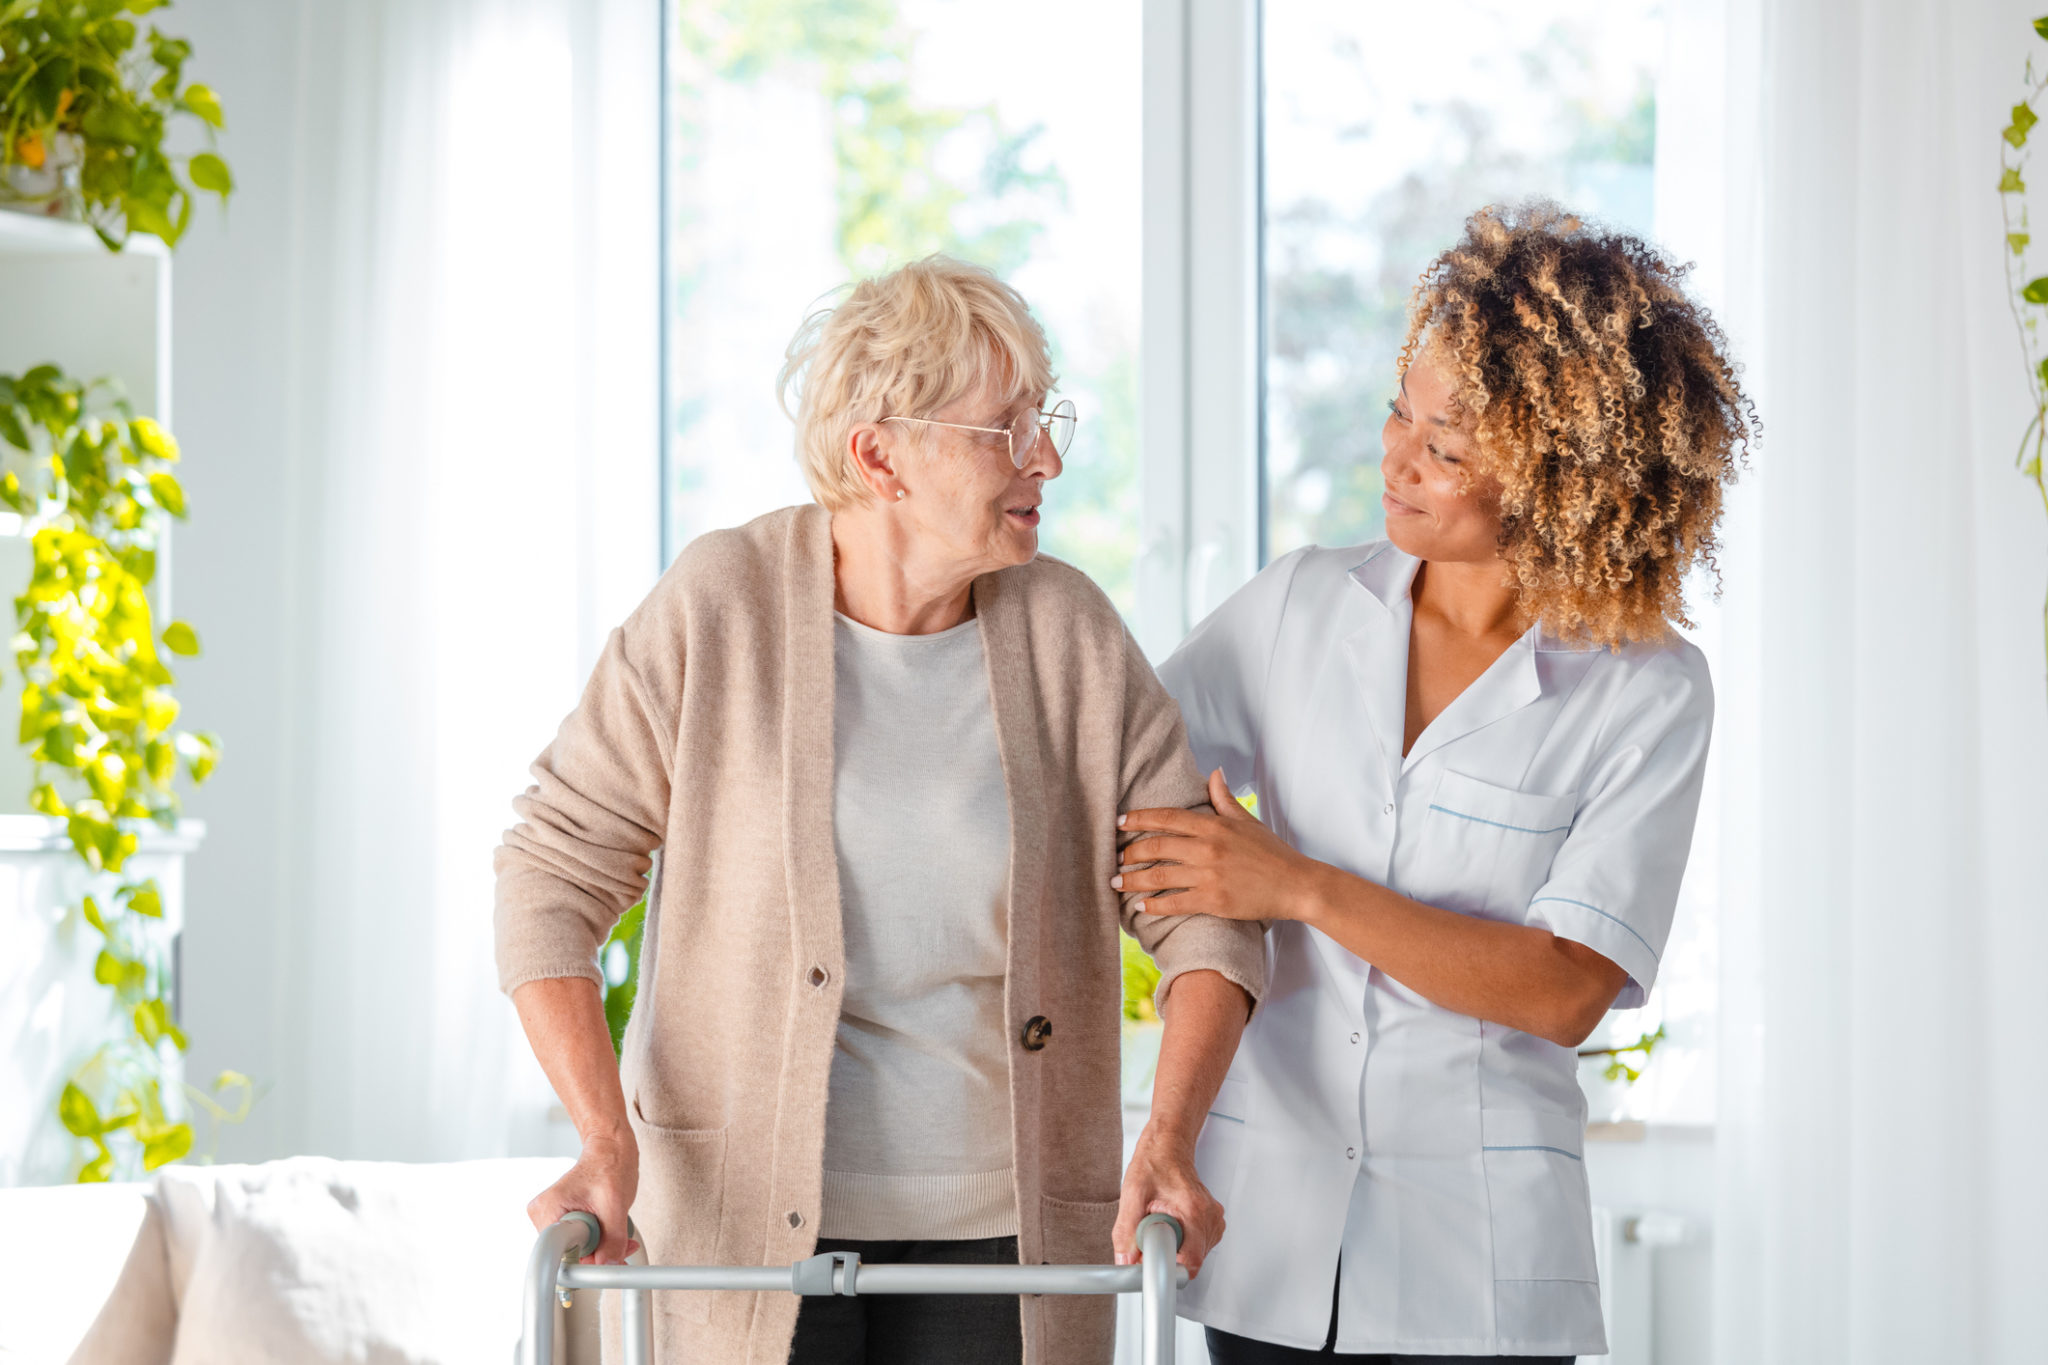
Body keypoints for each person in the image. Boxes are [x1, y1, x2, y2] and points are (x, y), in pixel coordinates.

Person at [494, 255, 1264, 1365]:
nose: (1043, 456)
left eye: (1045, 421)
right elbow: (548, 873)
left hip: (1013, 1245)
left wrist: (1171, 1138)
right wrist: (603, 1138)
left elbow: (1209, 909)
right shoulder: (720, 608)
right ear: (878, 453)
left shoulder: (1067, 635)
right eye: (1004, 427)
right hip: (744, 1235)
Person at [1116, 203, 1753, 1362]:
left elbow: (1561, 988)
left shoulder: (1647, 690)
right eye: (1397, 415)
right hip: (1269, 1235)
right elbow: (1114, 770)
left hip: (1479, 1264)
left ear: (1567, 476)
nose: (1396, 460)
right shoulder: (1299, 604)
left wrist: (1298, 887)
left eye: (1446, 447)